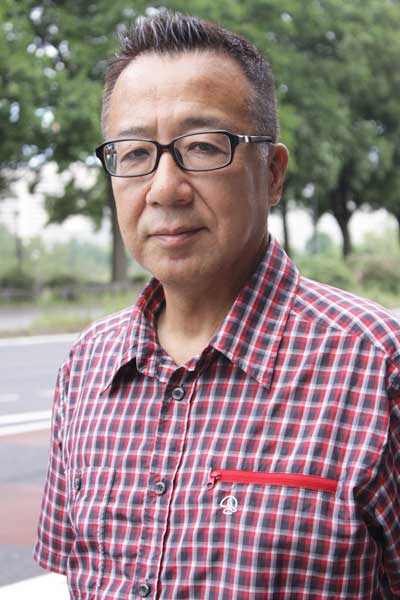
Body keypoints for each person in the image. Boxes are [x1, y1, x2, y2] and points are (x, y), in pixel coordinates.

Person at [34, 10, 400, 599]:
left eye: (203, 147)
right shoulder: (86, 368)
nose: (164, 189)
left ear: (272, 174)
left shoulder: (377, 367)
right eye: (134, 154)